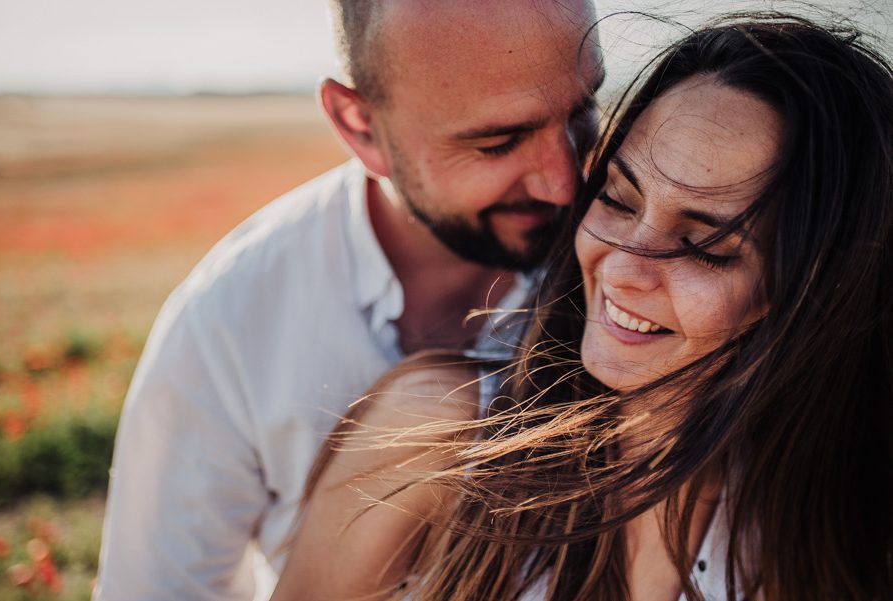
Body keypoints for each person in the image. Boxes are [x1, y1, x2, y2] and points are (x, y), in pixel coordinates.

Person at [273, 15, 893, 601]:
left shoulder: (843, 537)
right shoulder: (442, 437)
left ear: (819, 292)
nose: (620, 266)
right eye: (618, 200)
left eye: (702, 246)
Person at [94, 1, 604, 599]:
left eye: (583, 111)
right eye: (497, 143)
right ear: (360, 125)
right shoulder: (230, 320)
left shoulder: (638, 267)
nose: (565, 182)